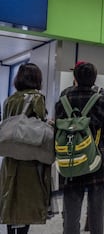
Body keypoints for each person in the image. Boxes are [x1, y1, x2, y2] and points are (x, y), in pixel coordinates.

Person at [55, 62, 104, 234]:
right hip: (96, 159)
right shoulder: (101, 100)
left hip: (70, 158)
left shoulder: (63, 99)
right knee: (97, 209)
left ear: (75, 77)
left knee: (71, 209)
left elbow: (57, 132)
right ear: (94, 79)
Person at [0, 63, 51, 234]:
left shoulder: (10, 99)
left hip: (10, 158)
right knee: (26, 204)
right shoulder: (37, 98)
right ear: (37, 78)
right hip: (29, 159)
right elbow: (39, 126)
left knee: (10, 201)